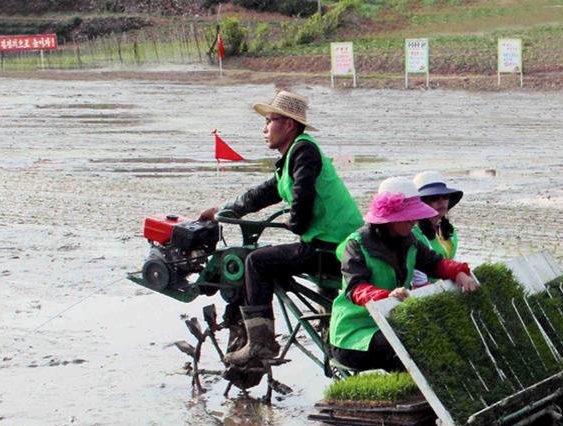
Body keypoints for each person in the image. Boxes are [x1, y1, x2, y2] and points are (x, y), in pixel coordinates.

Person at [197, 91, 364, 367]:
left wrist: (293, 222)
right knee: (266, 256)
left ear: (288, 123)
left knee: (256, 262)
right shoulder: (291, 159)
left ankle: (260, 344)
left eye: (269, 121)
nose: (264, 129)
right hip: (331, 245)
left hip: (334, 248)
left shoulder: (303, 151)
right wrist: (222, 211)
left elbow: (303, 202)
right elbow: (260, 194)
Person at [329, 177, 478, 372]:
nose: (414, 222)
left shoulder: (409, 240)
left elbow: (436, 263)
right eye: (409, 218)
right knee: (413, 343)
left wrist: (459, 273)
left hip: (391, 323)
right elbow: (356, 288)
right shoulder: (356, 245)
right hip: (355, 336)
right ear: (390, 218)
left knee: (435, 338)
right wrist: (386, 296)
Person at [410, 171, 463, 287]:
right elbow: (419, 281)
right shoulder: (413, 234)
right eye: (434, 198)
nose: (441, 202)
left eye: (445, 196)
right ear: (422, 203)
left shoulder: (449, 230)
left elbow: (454, 262)